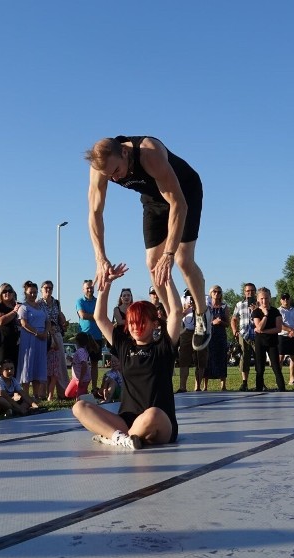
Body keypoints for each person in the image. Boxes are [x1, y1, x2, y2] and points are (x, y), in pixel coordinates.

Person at [85, 136, 210, 352]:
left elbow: (178, 204)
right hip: (153, 199)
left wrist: (169, 253)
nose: (114, 179)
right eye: (108, 176)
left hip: (184, 193)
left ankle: (201, 313)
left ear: (124, 153)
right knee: (152, 263)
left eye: (116, 171)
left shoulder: (149, 154)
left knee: (182, 259)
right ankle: (172, 317)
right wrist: (100, 257)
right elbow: (95, 213)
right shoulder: (101, 168)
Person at [71, 262, 181, 450]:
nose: (136, 327)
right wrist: (106, 284)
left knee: (152, 414)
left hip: (159, 424)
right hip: (126, 421)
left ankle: (115, 438)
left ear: (155, 324)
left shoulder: (163, 346)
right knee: (79, 407)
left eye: (141, 322)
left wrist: (167, 279)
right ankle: (122, 438)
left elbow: (176, 312)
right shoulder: (124, 345)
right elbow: (100, 318)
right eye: (131, 322)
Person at [17, 280, 50, 400]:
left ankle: (36, 394)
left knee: (38, 365)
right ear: (25, 293)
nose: (33, 295)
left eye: (35, 292)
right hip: (29, 338)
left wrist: (45, 333)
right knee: (27, 364)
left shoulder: (41, 307)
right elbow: (23, 323)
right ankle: (25, 395)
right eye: (31, 292)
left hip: (42, 339)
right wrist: (37, 333)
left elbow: (47, 321)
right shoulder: (23, 307)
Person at [39, 280, 68, 401]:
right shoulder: (38, 303)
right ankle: (43, 393)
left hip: (56, 334)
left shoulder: (56, 302)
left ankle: (63, 392)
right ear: (41, 289)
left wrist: (64, 323)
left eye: (50, 288)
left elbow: (60, 315)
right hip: (44, 335)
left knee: (59, 364)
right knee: (44, 365)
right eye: (46, 287)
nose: (48, 289)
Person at [252, 288, 286, 392]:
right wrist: (265, 315)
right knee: (260, 368)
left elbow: (278, 328)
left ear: (270, 298)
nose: (264, 301)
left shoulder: (276, 311)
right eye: (262, 298)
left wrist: (264, 331)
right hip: (260, 343)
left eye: (266, 298)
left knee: (276, 367)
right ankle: (259, 389)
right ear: (258, 299)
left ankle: (282, 389)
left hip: (272, 343)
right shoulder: (256, 312)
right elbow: (259, 327)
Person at [176, 289, 208, 392]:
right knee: (184, 359)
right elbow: (177, 315)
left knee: (200, 359)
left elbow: (207, 314)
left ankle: (197, 386)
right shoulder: (182, 299)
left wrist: (197, 307)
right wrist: (185, 309)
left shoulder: (205, 298)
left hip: (200, 331)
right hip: (187, 331)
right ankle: (182, 386)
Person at [76, 279, 104, 392]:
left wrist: (95, 316)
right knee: (82, 363)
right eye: (87, 287)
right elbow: (82, 315)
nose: (89, 289)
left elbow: (102, 314)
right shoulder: (79, 301)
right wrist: (96, 316)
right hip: (84, 337)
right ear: (83, 289)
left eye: (91, 287)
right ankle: (82, 387)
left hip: (97, 336)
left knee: (94, 363)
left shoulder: (98, 301)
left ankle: (94, 388)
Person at [231, 283, 257, 391]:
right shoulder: (239, 304)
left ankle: (260, 382)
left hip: (257, 334)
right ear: (244, 292)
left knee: (259, 358)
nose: (249, 293)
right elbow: (234, 318)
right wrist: (234, 330)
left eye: (251, 291)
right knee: (244, 358)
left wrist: (256, 309)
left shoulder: (259, 303)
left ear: (255, 292)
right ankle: (244, 383)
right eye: (247, 291)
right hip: (244, 334)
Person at [205, 285, 230, 391]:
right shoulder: (206, 306)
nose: (216, 294)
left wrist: (221, 322)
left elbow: (228, 323)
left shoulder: (224, 306)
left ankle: (223, 384)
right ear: (210, 293)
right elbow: (202, 322)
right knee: (207, 359)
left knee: (222, 358)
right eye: (214, 291)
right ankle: (205, 385)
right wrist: (213, 322)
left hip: (220, 335)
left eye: (219, 292)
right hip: (209, 335)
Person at [0, 283, 21, 382]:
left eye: (10, 291)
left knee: (14, 366)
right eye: (4, 291)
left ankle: (13, 390)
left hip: (17, 340)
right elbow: (1, 321)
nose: (7, 293)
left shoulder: (18, 305)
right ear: (0, 294)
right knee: (2, 366)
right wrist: (14, 312)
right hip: (3, 341)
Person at [278, 293, 294, 385]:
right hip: (282, 336)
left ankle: (292, 379)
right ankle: (279, 379)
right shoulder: (278, 311)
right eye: (283, 298)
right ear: (281, 300)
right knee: (280, 358)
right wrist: (290, 330)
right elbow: (279, 324)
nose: (285, 300)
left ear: (290, 299)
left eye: (287, 298)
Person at [65, 332, 92, 400]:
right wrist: (72, 359)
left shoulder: (80, 351)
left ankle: (84, 395)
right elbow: (78, 362)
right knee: (68, 394)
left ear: (77, 341)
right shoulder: (82, 350)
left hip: (83, 379)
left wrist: (81, 380)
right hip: (76, 378)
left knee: (79, 400)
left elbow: (84, 365)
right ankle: (82, 393)